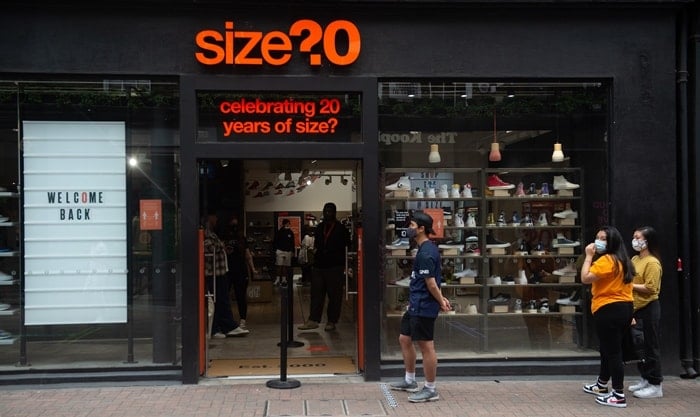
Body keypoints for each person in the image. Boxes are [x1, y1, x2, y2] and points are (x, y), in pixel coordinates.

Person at [389, 211, 451, 403]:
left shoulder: (426, 252)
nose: (408, 228)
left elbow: (431, 283)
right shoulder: (424, 249)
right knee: (404, 338)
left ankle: (430, 389)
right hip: (415, 304)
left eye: (412, 225)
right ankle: (410, 380)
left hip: (424, 305)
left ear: (422, 228)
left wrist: (441, 301)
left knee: (426, 347)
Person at [581, 226, 634, 408]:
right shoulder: (623, 260)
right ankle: (602, 384)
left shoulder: (607, 260)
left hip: (608, 308)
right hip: (624, 307)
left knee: (613, 352)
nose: (598, 241)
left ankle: (618, 394)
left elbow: (586, 278)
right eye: (597, 237)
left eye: (603, 238)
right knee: (607, 349)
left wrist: (588, 256)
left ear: (612, 241)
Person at [298, 202, 351, 331]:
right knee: (316, 294)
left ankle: (332, 321)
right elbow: (317, 244)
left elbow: (347, 245)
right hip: (319, 265)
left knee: (334, 296)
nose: (327, 213)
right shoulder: (320, 227)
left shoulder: (341, 229)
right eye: (325, 211)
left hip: (335, 266)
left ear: (334, 212)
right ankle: (313, 320)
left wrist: (344, 264)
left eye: (330, 211)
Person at [628, 226, 664, 398]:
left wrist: (631, 286)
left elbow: (651, 288)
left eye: (638, 237)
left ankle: (656, 384)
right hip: (636, 307)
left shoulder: (652, 263)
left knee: (651, 345)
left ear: (647, 241)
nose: (635, 240)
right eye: (634, 237)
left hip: (649, 307)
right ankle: (645, 378)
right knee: (640, 345)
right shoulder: (635, 258)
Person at [203, 212, 249, 338]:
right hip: (214, 273)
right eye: (214, 216)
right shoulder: (206, 233)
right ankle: (223, 327)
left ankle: (221, 327)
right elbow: (206, 247)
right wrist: (221, 246)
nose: (216, 219)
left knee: (220, 300)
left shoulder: (212, 233)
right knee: (219, 299)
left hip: (219, 272)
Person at [223, 214, 257, 329]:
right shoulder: (225, 236)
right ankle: (229, 320)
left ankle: (242, 319)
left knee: (241, 296)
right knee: (226, 295)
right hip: (228, 270)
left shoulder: (242, 237)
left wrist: (252, 269)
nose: (234, 225)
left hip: (240, 270)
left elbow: (247, 254)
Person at [273, 218, 295, 286]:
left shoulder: (290, 232)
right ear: (284, 224)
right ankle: (277, 279)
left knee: (285, 266)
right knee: (279, 266)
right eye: (287, 223)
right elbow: (275, 241)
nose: (288, 225)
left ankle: (284, 279)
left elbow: (292, 242)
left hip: (288, 251)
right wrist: (275, 250)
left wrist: (292, 251)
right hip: (280, 251)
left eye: (289, 223)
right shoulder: (279, 232)